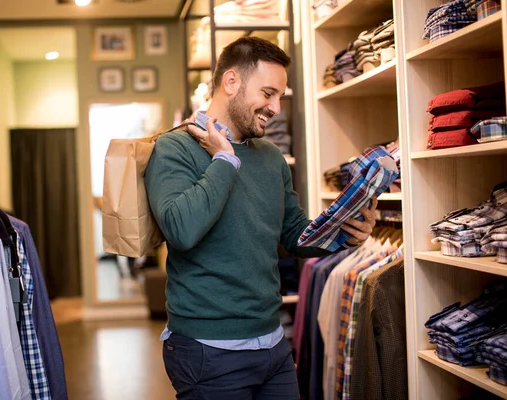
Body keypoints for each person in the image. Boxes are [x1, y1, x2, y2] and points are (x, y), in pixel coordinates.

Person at [144, 36, 377, 399]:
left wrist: (345, 234)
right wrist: (224, 160)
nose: (276, 108)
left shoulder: (270, 156)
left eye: (280, 96)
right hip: (208, 350)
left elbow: (294, 235)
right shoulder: (175, 147)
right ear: (231, 81)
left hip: (273, 344)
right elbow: (182, 229)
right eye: (268, 93)